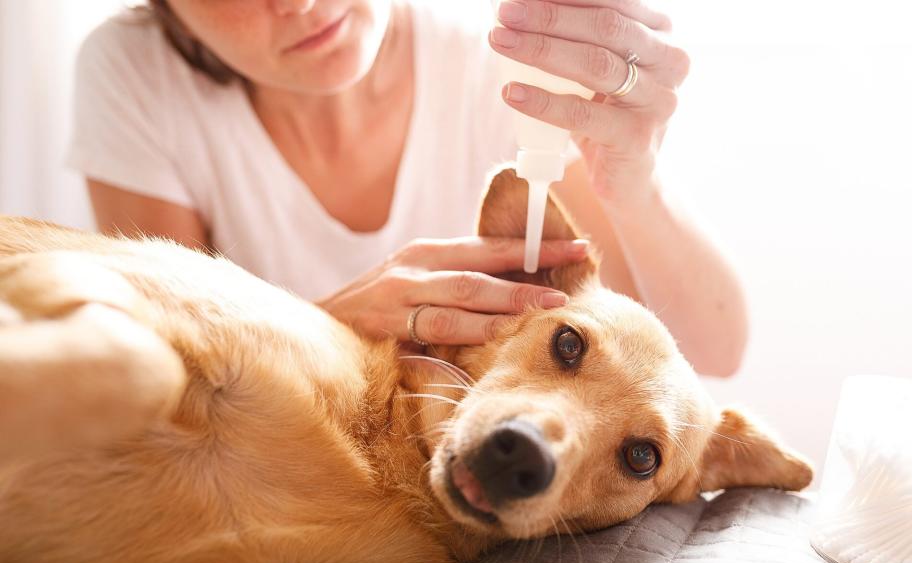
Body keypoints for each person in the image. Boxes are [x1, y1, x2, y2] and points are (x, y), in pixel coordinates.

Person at [68, 0, 747, 376]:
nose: (298, 4)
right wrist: (332, 329)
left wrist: (636, 184)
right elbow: (162, 379)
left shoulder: (506, 60)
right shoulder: (137, 73)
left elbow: (714, 350)